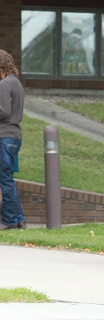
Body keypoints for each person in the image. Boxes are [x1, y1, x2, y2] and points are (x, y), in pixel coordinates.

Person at [0, 50, 26, 231]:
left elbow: (3, 111)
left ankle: (8, 221)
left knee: (4, 180)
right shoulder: (15, 83)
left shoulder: (3, 84)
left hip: (4, 136)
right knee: (7, 178)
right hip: (13, 136)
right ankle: (19, 219)